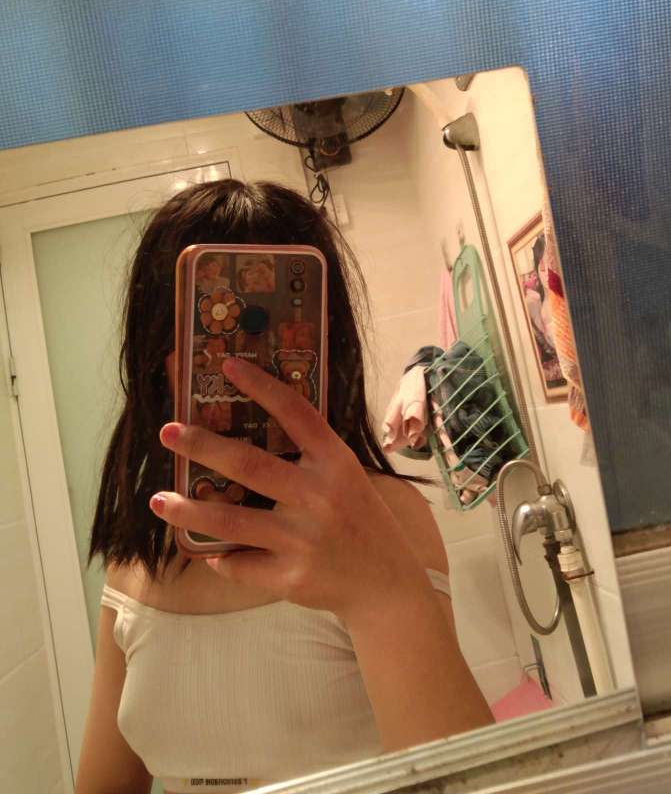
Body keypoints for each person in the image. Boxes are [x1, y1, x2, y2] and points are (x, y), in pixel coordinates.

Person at [77, 179, 493, 794]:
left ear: (326, 347)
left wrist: (381, 594)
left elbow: (468, 780)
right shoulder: (138, 553)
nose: (237, 366)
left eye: (272, 335)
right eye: (202, 331)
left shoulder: (383, 515)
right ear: (158, 356)